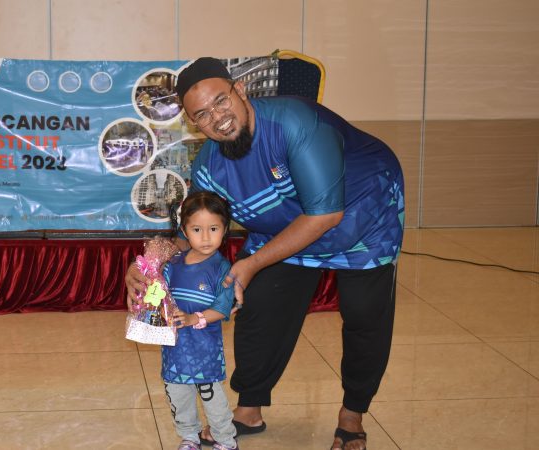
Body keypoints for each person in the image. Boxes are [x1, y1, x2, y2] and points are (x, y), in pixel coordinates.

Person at [126, 57, 404, 450]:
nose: (217, 118)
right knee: (259, 306)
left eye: (221, 101)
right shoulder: (209, 167)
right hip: (283, 224)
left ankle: (352, 414)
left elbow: (325, 215)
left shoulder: (294, 123)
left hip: (362, 213)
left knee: (364, 314)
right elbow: (195, 232)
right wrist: (151, 261)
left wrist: (253, 262)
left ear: (240, 90)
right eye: (202, 114)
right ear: (193, 123)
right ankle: (249, 410)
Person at [161, 191, 238, 450]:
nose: (205, 237)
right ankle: (189, 437)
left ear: (225, 229)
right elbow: (159, 296)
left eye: (213, 229)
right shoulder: (173, 265)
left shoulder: (222, 268)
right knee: (178, 395)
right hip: (175, 349)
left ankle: (226, 440)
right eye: (197, 229)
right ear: (184, 230)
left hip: (205, 350)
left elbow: (223, 308)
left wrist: (194, 318)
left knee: (212, 396)